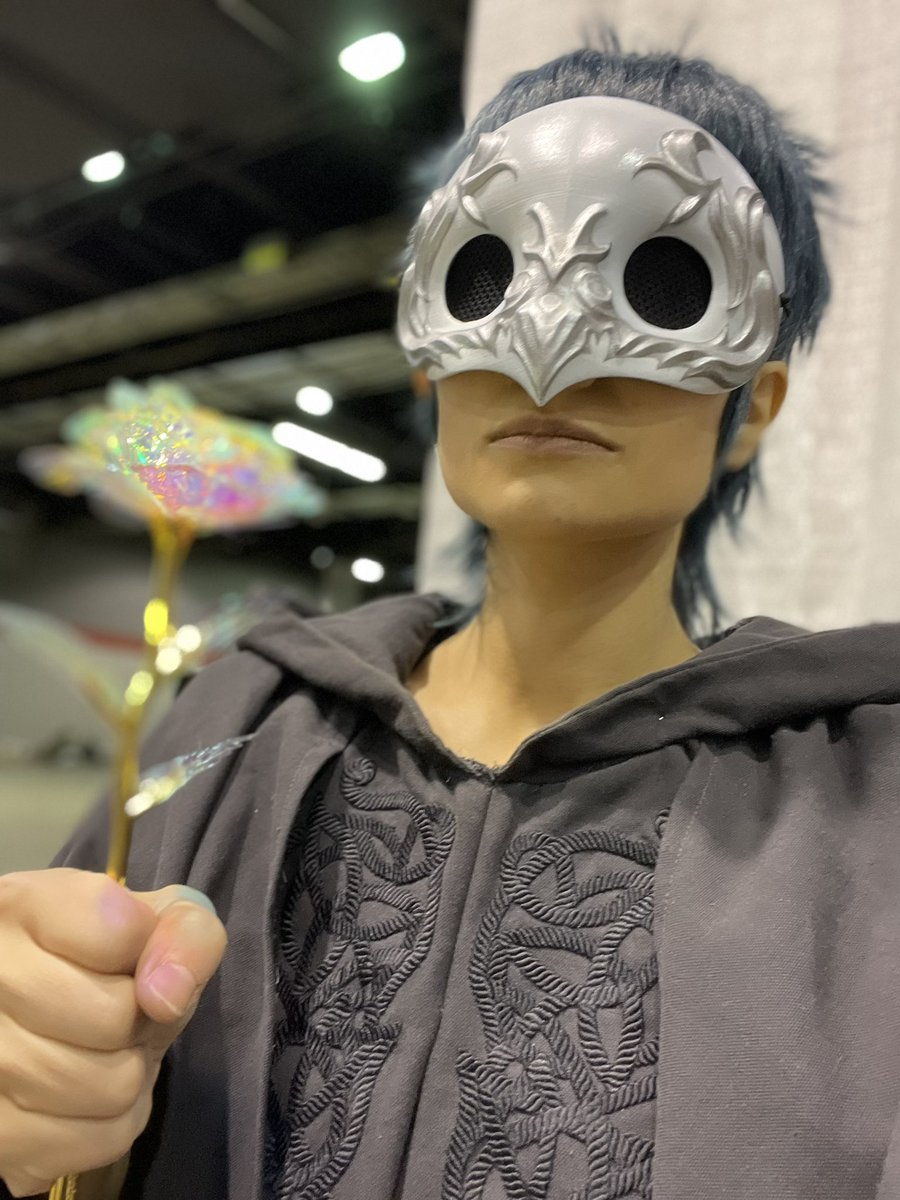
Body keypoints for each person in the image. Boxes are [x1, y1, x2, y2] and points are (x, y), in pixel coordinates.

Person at [4, 38, 900, 1200]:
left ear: (756, 403)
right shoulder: (232, 731)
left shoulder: (863, 829)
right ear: (428, 357)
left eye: (671, 283)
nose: (554, 350)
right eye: (486, 271)